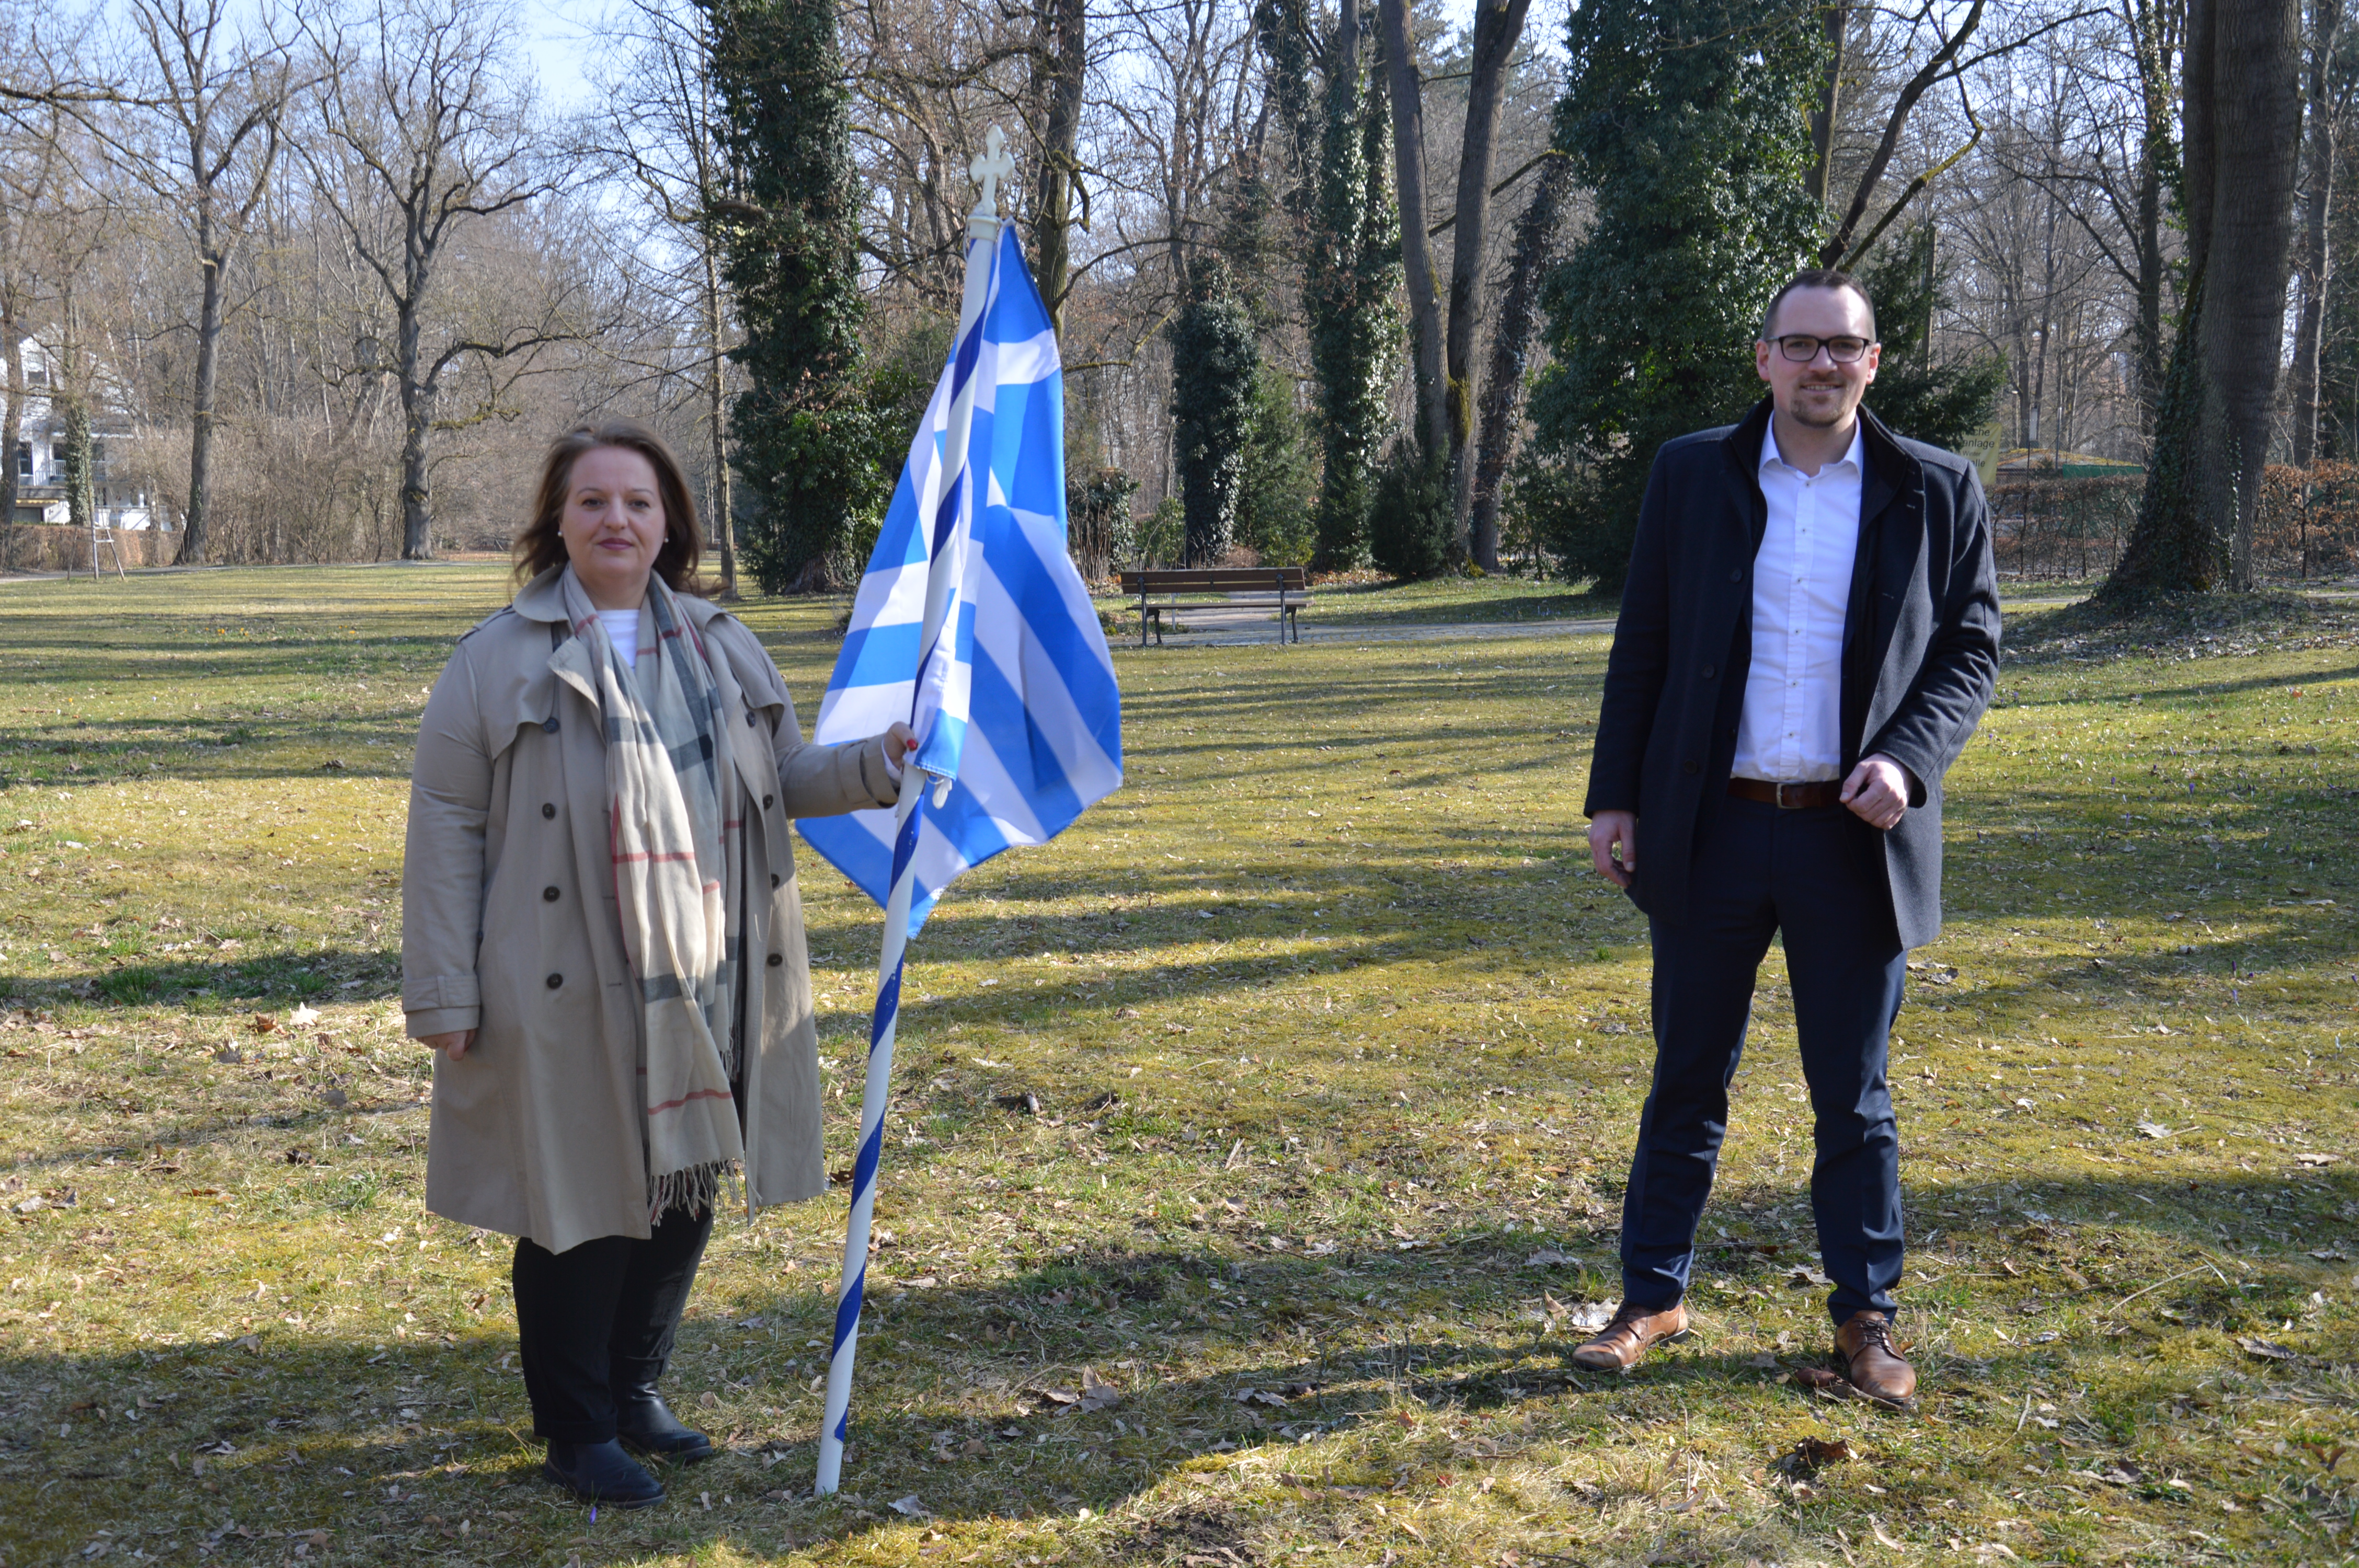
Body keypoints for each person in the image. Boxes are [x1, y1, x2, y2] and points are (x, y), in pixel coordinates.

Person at [402, 420, 914, 1506]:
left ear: (670, 520)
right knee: (578, 1201)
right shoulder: (496, 658)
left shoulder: (723, 644)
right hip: (561, 975)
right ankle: (577, 1430)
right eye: (591, 502)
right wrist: (444, 991)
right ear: (556, 522)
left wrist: (878, 766)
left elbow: (781, 775)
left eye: (637, 502)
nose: (616, 521)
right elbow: (447, 825)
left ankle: (634, 1391)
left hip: (713, 968)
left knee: (684, 1188)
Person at [1574, 269, 1999, 1408]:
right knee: (1685, 1079)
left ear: (1873, 362)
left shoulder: (1935, 487)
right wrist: (1615, 796)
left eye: (1843, 348)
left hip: (1850, 842)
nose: (1821, 365)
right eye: (1799, 345)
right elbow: (1645, 644)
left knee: (1853, 1095)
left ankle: (1868, 1318)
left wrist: (1906, 758)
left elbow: (1971, 648)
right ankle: (1651, 1296)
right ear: (1762, 358)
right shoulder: (1691, 473)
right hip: (1709, 830)